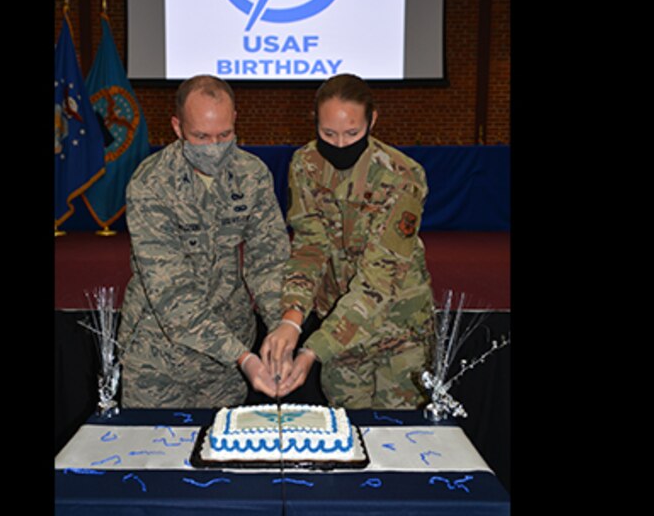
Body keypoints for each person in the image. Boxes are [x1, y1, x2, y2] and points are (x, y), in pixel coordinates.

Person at [260, 74, 435, 409]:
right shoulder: (306, 165)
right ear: (315, 122)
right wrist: (291, 318)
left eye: (352, 133)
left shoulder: (402, 176)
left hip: (399, 330)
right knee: (347, 434)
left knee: (397, 440)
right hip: (339, 328)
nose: (339, 144)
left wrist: (314, 349)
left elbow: (380, 281)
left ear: (372, 121)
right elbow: (309, 247)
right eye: (328, 133)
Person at [119, 75, 290, 408]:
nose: (214, 146)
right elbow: (171, 294)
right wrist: (243, 357)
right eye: (201, 136)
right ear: (178, 127)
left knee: (220, 453)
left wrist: (279, 329)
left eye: (224, 134)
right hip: (159, 357)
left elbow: (269, 261)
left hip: (225, 363)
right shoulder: (151, 184)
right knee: (154, 456)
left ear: (235, 120)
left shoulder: (252, 175)